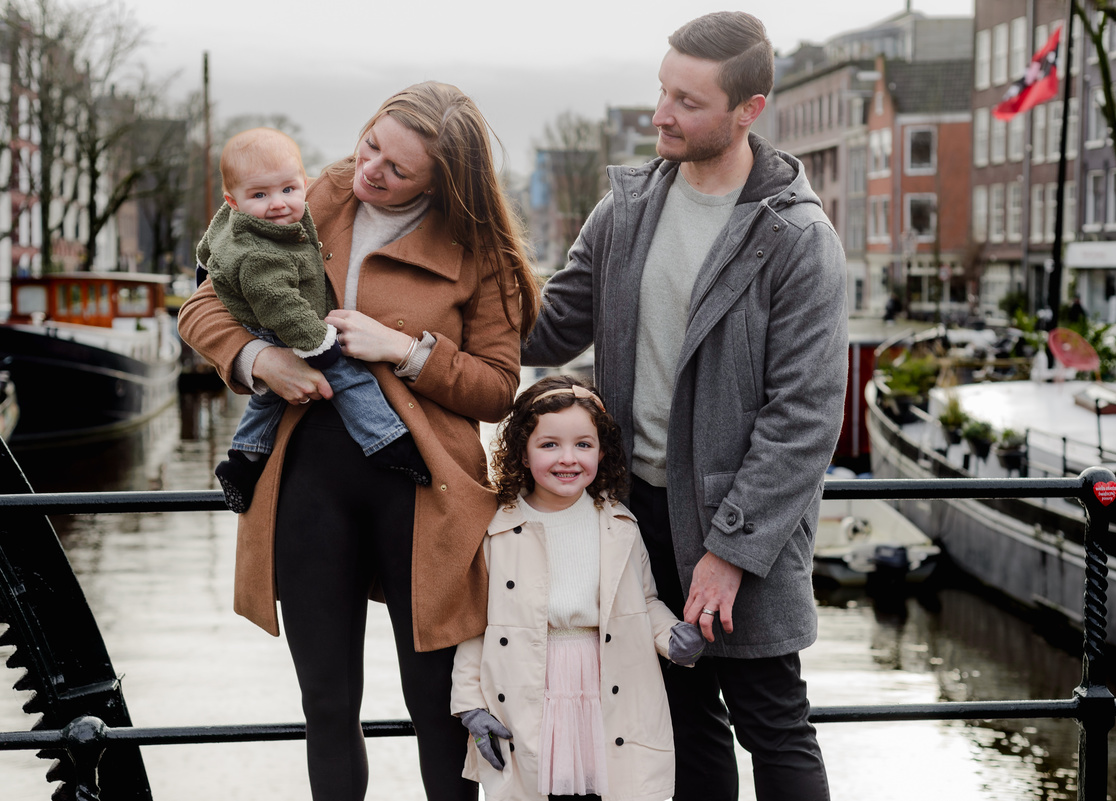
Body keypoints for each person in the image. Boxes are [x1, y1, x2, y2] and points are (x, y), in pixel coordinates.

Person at [177, 82, 541, 801]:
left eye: (397, 169)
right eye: (370, 143)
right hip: (308, 484)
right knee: (329, 706)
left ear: (444, 181)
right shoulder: (315, 195)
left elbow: (499, 387)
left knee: (440, 710)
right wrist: (261, 362)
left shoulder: (481, 250)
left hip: (425, 497)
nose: (370, 170)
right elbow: (203, 302)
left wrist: (404, 349)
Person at [521, 12, 848, 801]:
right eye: (662, 91)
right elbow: (548, 325)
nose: (662, 114)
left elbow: (804, 417)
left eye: (688, 101)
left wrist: (730, 551)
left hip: (745, 524)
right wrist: (418, 329)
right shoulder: (625, 209)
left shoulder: (797, 237)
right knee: (680, 716)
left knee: (772, 718)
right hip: (639, 513)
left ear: (749, 110)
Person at [451, 375, 704, 801]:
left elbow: (643, 601)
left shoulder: (620, 524)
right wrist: (470, 704)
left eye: (583, 445)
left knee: (611, 785)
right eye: (549, 444)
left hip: (606, 680)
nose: (568, 458)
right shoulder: (496, 529)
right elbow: (475, 622)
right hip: (531, 683)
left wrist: (671, 636)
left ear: (601, 452)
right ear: (522, 452)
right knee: (540, 787)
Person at [197, 127, 429, 514]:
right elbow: (279, 304)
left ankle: (242, 459)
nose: (278, 203)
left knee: (269, 399)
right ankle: (389, 442)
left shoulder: (289, 206)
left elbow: (213, 239)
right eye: (370, 146)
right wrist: (308, 347)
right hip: (290, 328)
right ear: (233, 201)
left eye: (289, 189)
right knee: (347, 377)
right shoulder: (261, 250)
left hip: (290, 324)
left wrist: (206, 258)